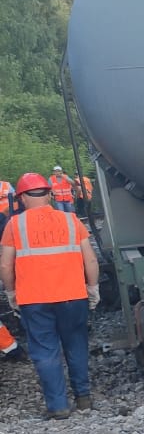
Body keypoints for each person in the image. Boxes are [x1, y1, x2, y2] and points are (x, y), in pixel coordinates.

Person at [0, 173, 100, 418]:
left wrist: (11, 293)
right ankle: (83, 397)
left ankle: (58, 407)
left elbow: (5, 265)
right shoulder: (71, 220)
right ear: (49, 194)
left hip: (34, 299)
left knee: (45, 351)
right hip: (73, 296)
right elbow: (90, 258)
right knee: (76, 344)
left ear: (22, 198)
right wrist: (93, 288)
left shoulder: (15, 225)